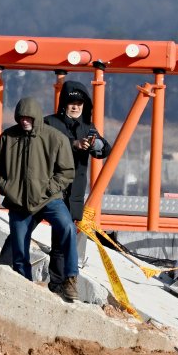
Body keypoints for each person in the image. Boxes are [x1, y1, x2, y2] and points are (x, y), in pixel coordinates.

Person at [0, 97, 78, 300]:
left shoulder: (55, 138)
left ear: (36, 117)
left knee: (67, 228)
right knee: (19, 246)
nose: (24, 121)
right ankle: (24, 287)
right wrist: (6, 188)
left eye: (28, 117)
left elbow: (67, 171)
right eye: (21, 117)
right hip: (19, 202)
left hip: (49, 199)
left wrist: (49, 189)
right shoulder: (8, 137)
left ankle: (71, 278)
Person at [43, 81, 112, 294]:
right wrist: (73, 144)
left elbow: (104, 149)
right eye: (71, 102)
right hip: (50, 189)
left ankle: (58, 282)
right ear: (64, 103)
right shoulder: (49, 122)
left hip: (73, 192)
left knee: (62, 236)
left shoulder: (88, 127)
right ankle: (11, 265)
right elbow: (44, 145)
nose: (75, 107)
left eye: (79, 103)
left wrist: (95, 145)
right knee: (27, 226)